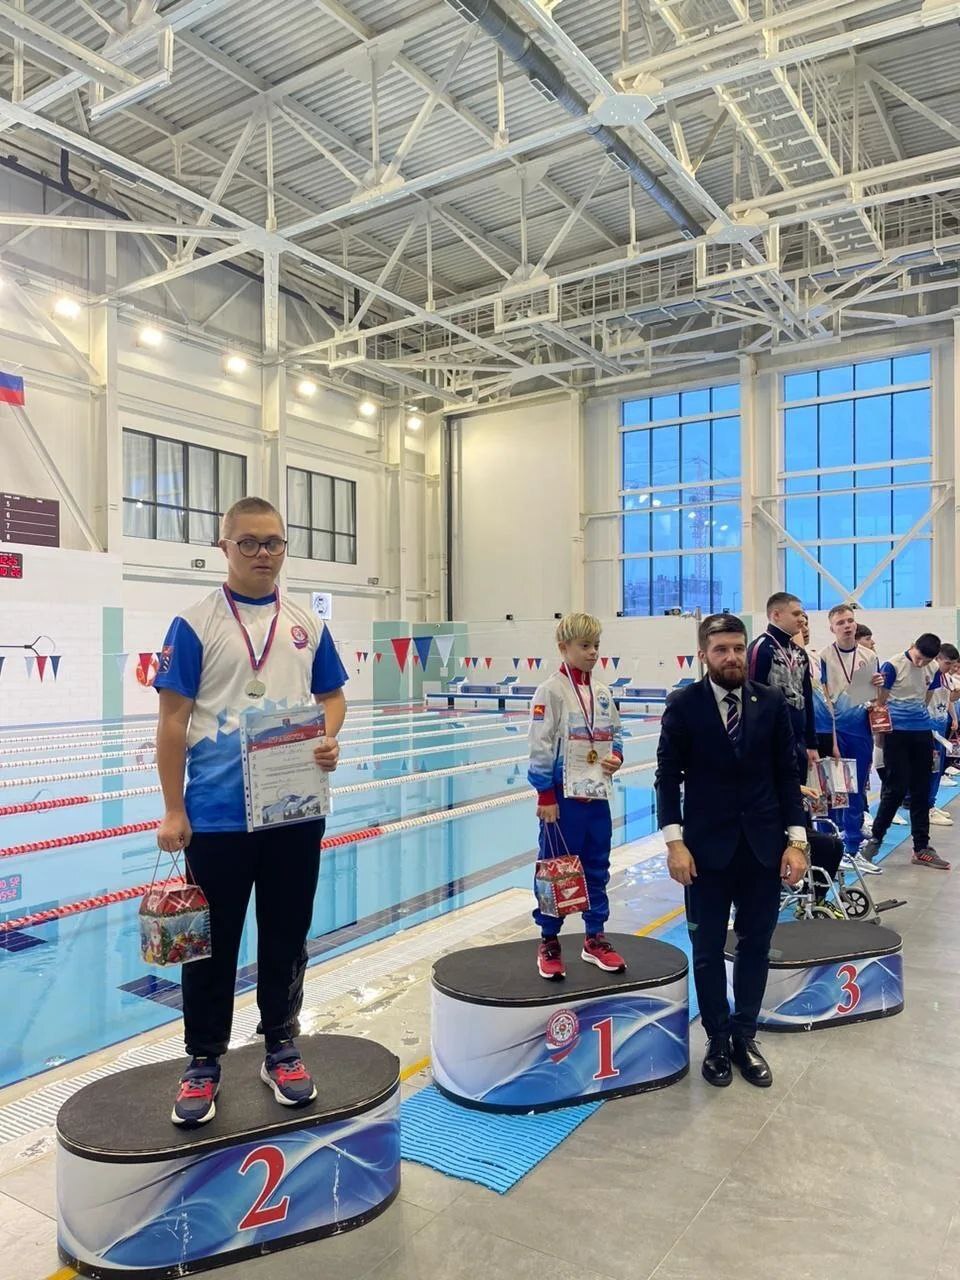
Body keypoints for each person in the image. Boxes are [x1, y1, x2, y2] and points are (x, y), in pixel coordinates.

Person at [154, 496, 349, 1126]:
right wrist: (173, 809)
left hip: (294, 811)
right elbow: (172, 720)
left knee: (287, 934)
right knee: (210, 946)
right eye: (249, 542)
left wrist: (328, 736)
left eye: (273, 542)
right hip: (216, 817)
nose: (263, 553)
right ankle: (203, 1060)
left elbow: (333, 697)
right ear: (225, 546)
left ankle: (282, 1046)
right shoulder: (195, 623)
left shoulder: (306, 621)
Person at [656, 613, 807, 1089]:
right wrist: (675, 843)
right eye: (721, 649)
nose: (732, 657)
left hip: (763, 847)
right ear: (704, 654)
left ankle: (745, 1036)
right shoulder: (685, 704)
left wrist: (797, 842)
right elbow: (667, 778)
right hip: (705, 851)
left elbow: (787, 775)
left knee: (755, 946)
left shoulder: (771, 701)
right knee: (706, 950)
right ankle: (717, 1039)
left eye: (738, 648)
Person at [529, 612, 624, 980]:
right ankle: (549, 939)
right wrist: (545, 795)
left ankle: (594, 936)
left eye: (596, 645)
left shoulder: (601, 692)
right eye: (585, 646)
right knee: (554, 869)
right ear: (563, 647)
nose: (593, 652)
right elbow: (539, 745)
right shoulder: (550, 691)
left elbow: (616, 734)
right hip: (563, 800)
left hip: (596, 797)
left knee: (597, 867)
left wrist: (616, 757)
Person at [861, 634, 950, 871]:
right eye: (918, 658)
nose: (920, 663)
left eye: (926, 660)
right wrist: (880, 735)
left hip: (921, 732)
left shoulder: (933, 668)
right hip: (896, 734)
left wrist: (918, 720)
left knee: (921, 791)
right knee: (895, 789)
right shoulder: (893, 665)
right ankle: (875, 840)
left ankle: (921, 847)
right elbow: (880, 702)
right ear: (913, 647)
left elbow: (926, 699)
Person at [818, 604, 883, 873]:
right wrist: (830, 737)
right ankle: (827, 846)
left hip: (860, 729)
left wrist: (879, 690)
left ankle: (853, 848)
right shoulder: (823, 657)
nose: (847, 626)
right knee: (832, 790)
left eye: (850, 621)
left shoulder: (869, 656)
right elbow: (823, 696)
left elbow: (874, 698)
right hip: (834, 729)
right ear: (832, 628)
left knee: (856, 789)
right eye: (841, 622)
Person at [747, 592, 818, 781]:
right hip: (771, 741)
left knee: (800, 793)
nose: (802, 619)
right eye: (796, 614)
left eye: (802, 614)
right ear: (776, 615)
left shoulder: (800, 653)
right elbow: (751, 698)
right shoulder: (760, 649)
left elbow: (807, 698)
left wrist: (811, 743)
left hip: (798, 740)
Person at [926, 643, 960, 828]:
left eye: (954, 664)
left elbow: (949, 700)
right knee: (930, 769)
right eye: (948, 663)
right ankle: (926, 808)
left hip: (941, 725)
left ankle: (931, 803)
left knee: (937, 769)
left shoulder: (946, 678)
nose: (951, 668)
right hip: (929, 727)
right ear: (936, 659)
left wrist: (953, 718)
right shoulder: (928, 676)